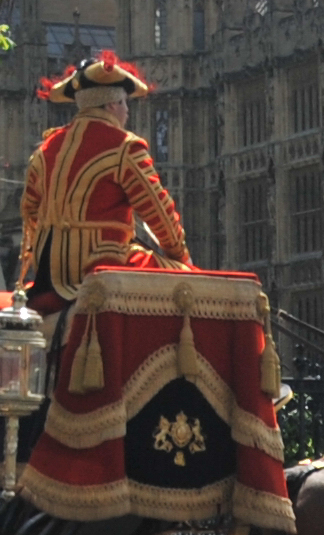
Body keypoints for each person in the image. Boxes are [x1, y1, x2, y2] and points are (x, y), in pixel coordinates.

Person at [14, 51, 192, 339]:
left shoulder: (44, 151)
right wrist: (181, 258)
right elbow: (160, 214)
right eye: (124, 103)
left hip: (48, 279)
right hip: (102, 268)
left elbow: (29, 212)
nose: (127, 112)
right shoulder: (124, 147)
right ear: (111, 104)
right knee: (196, 289)